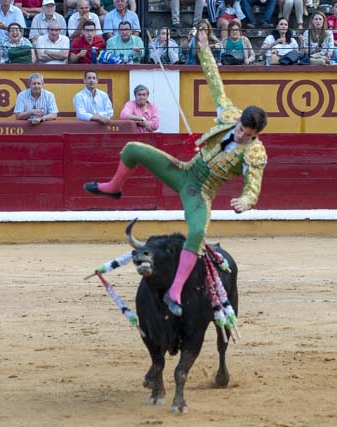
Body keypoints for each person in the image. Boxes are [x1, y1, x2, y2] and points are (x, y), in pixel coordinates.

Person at [83, 28, 268, 317]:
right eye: (241, 130)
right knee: (133, 148)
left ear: (256, 134)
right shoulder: (231, 116)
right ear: (240, 121)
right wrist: (204, 49)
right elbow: (215, 83)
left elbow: (253, 184)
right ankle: (113, 187)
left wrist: (246, 201)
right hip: (184, 173)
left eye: (248, 134)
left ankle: (175, 290)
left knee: (196, 232)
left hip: (201, 191)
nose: (242, 135)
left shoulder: (255, 152)